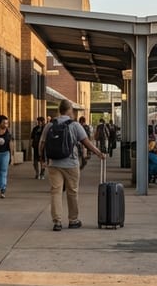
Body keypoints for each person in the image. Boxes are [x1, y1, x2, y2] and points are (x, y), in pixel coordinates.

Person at [40, 99, 107, 231]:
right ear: (70, 110)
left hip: (54, 163)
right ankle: (73, 220)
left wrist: (42, 160)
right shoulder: (75, 125)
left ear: (59, 110)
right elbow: (86, 143)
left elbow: (41, 144)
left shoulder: (49, 125)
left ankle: (57, 222)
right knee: (72, 192)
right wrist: (99, 153)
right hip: (71, 163)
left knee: (56, 192)